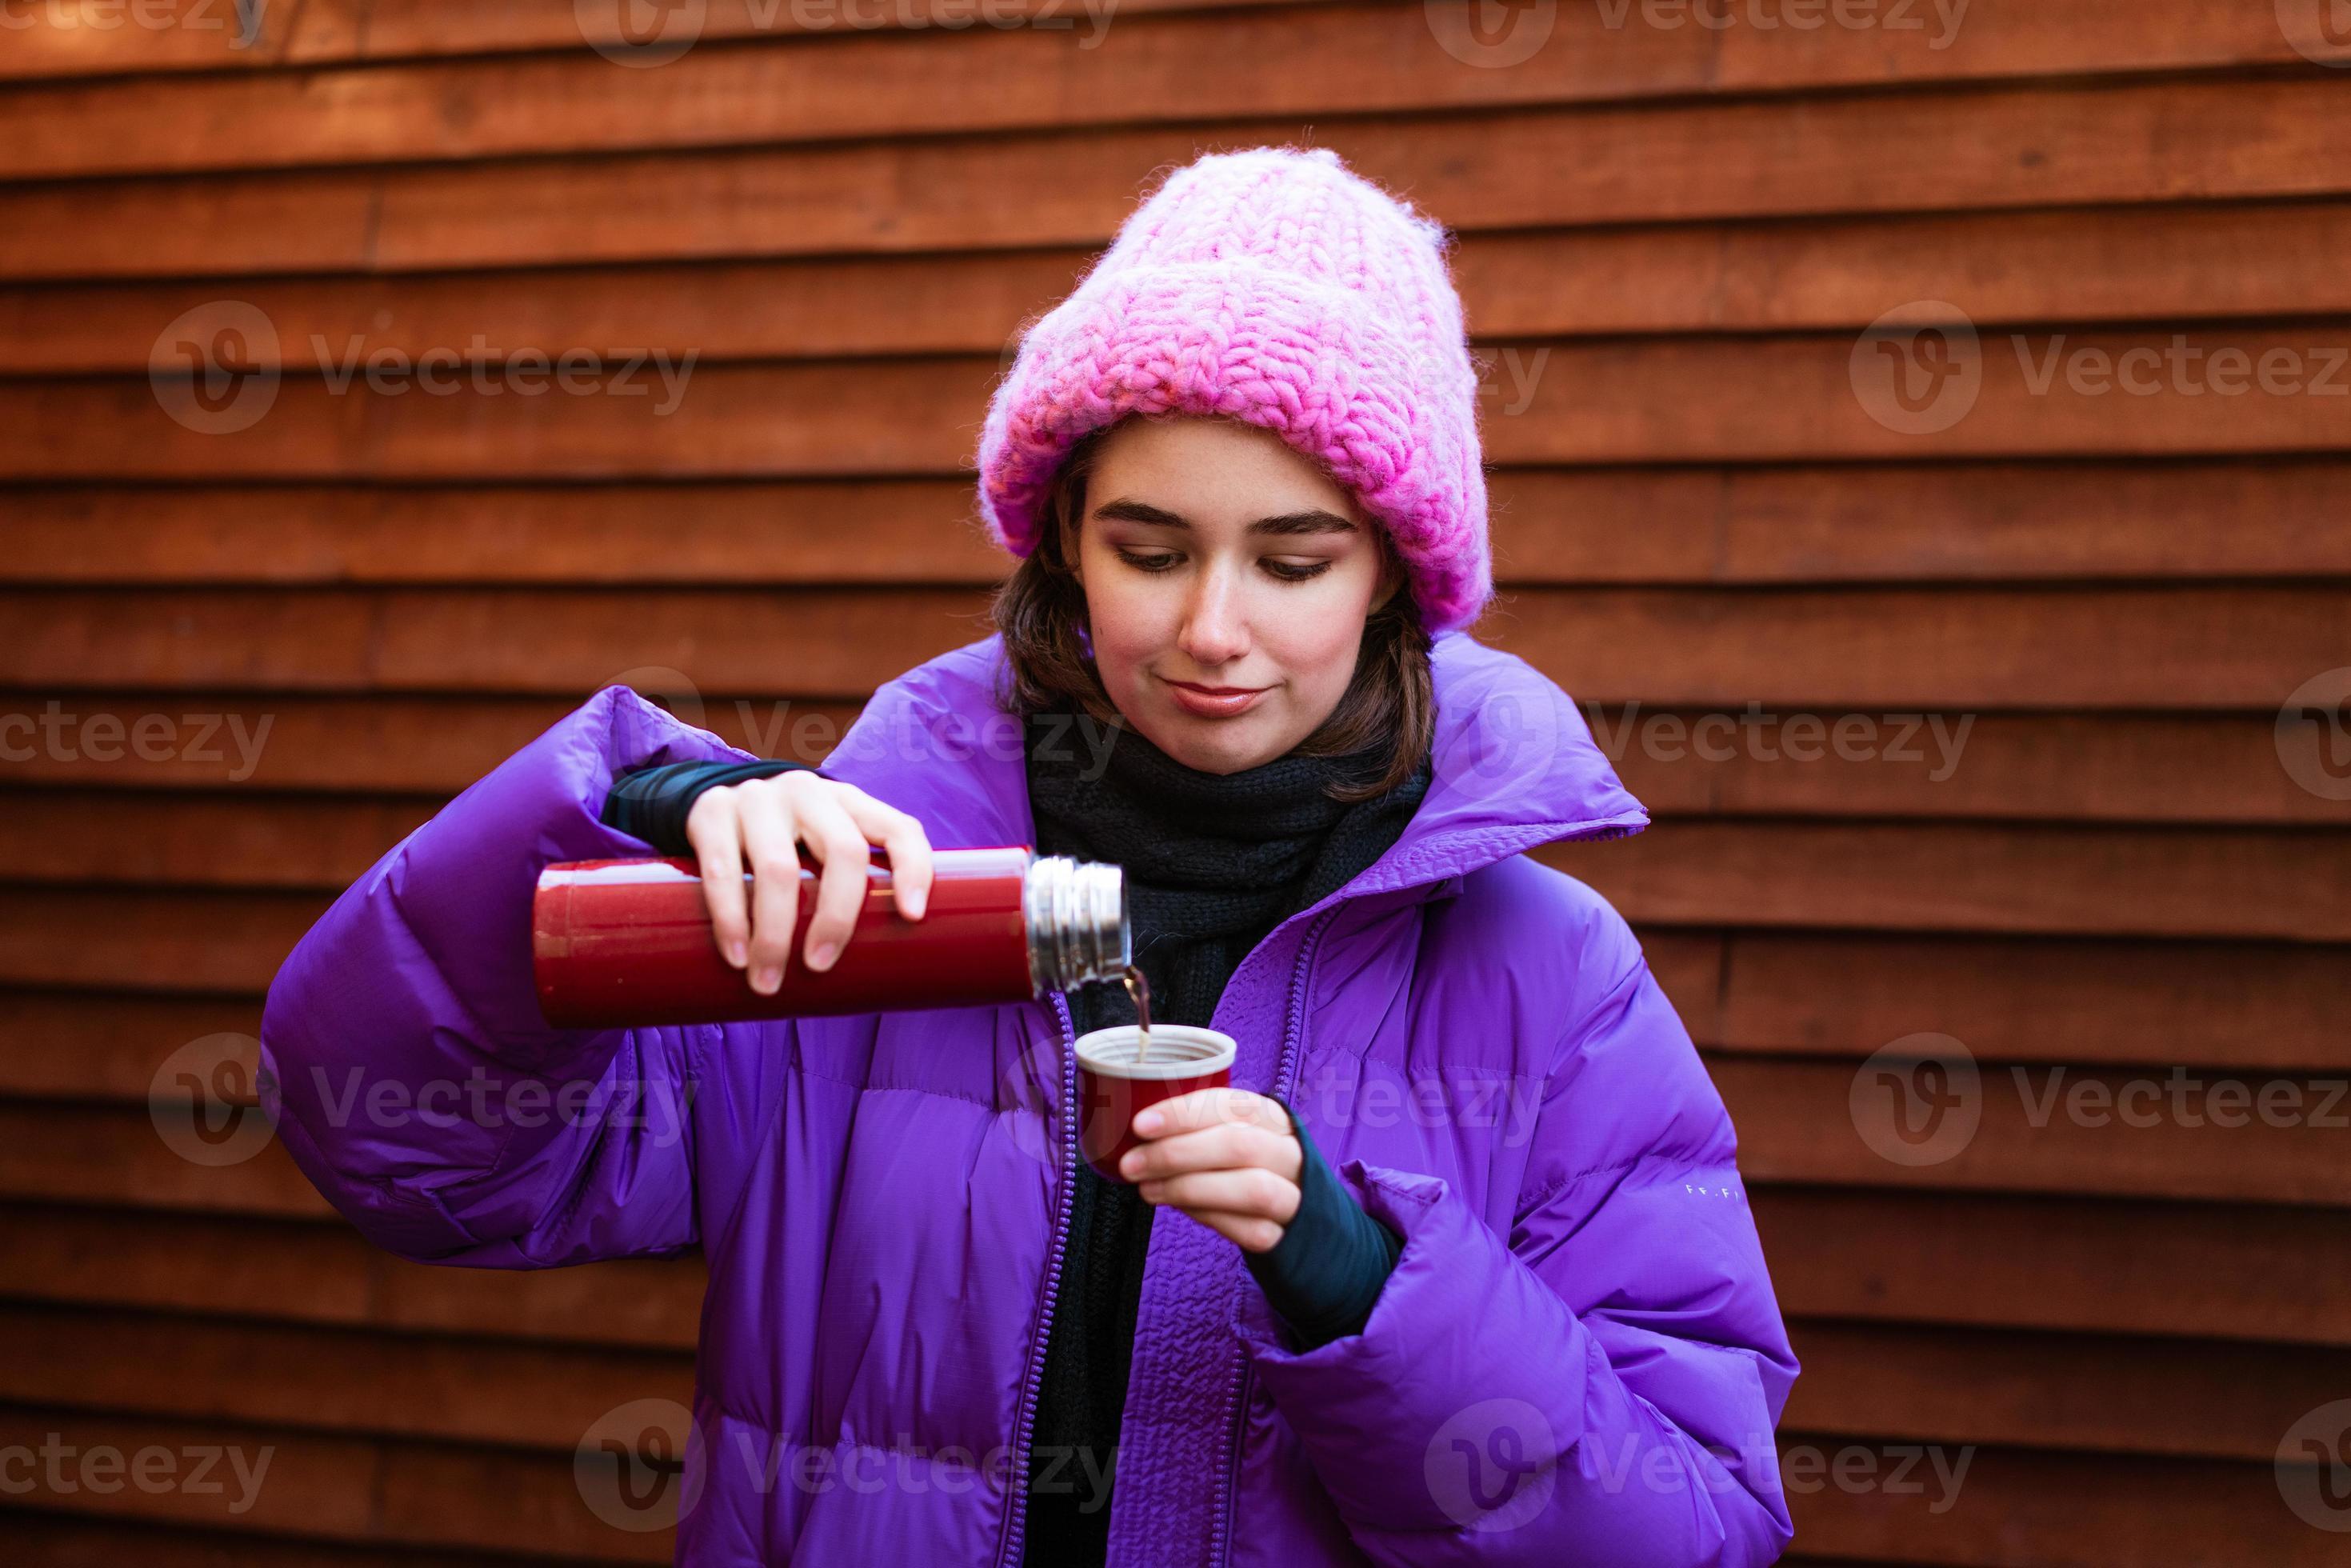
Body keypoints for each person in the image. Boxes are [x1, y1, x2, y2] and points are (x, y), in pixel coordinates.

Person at [261, 145, 1799, 1566]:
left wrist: (1361, 1281)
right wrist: (625, 812)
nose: (1212, 630)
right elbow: (405, 1151)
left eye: (1292, 559)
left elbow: (1690, 1523)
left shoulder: (1547, 972)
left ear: (1395, 573)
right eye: (1150, 549)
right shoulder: (852, 905)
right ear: (1062, 534)